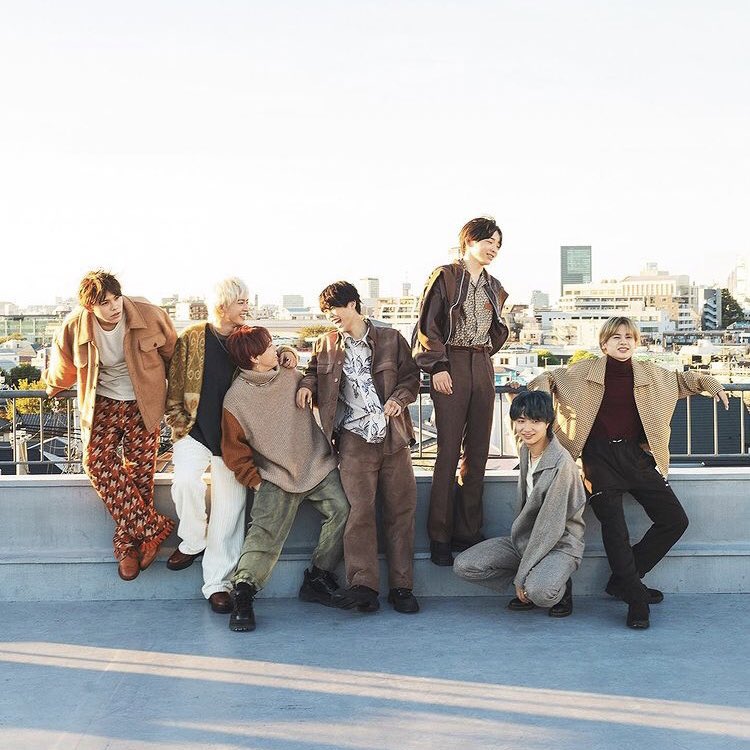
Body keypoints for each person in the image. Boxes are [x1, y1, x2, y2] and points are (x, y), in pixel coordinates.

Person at [529, 316, 729, 629]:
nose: (623, 342)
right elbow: (547, 378)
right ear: (604, 343)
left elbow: (686, 380)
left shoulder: (651, 373)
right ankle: (636, 599)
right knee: (615, 529)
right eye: (616, 337)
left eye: (629, 337)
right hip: (597, 459)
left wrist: (713, 385)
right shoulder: (583, 371)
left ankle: (624, 581)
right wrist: (541, 395)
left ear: (636, 342)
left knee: (675, 520)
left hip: (634, 457)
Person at [165, 278, 297, 613]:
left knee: (229, 515)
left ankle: (217, 585)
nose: (247, 307)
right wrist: (179, 424)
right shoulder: (193, 337)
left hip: (233, 441)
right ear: (223, 304)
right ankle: (193, 539)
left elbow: (273, 353)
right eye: (241, 301)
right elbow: (175, 383)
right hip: (195, 432)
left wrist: (289, 353)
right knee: (185, 482)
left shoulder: (247, 335)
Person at [44, 270, 177, 581]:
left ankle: (127, 548)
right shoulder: (74, 326)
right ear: (90, 306)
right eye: (105, 303)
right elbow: (63, 366)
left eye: (117, 298)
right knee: (95, 462)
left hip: (144, 403)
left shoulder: (149, 314)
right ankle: (153, 529)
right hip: (102, 402)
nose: (115, 306)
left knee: (139, 475)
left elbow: (174, 354)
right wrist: (51, 386)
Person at [297, 281, 420, 614]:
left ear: (352, 304)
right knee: (358, 513)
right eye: (326, 312)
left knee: (401, 512)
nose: (330, 316)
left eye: (334, 308)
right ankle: (363, 586)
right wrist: (307, 385)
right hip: (353, 441)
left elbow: (411, 378)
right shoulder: (325, 344)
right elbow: (312, 373)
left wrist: (398, 399)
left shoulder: (391, 338)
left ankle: (402, 588)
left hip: (393, 438)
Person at [220, 325, 352, 631]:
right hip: (275, 476)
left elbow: (313, 381)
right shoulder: (235, 400)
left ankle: (318, 576)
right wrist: (255, 480)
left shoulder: (290, 374)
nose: (275, 348)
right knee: (263, 534)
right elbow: (233, 450)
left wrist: (291, 358)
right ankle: (243, 593)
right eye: (269, 346)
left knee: (343, 511)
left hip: (318, 465)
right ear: (254, 358)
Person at [412, 216, 509, 566]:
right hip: (450, 361)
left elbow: (496, 329)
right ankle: (439, 536)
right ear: (469, 240)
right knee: (448, 452)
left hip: (482, 363)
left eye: (498, 244)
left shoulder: (495, 286)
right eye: (488, 241)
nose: (494, 248)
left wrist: (484, 356)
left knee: (478, 452)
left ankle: (468, 532)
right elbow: (428, 324)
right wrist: (437, 366)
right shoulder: (446, 276)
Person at [454, 391, 585, 617]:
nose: (527, 428)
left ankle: (555, 586)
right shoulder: (526, 450)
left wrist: (520, 577)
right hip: (525, 539)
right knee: (464, 565)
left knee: (541, 594)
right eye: (521, 421)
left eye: (535, 421)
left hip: (559, 543)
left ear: (548, 423)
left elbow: (549, 528)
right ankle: (532, 579)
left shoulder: (561, 465)